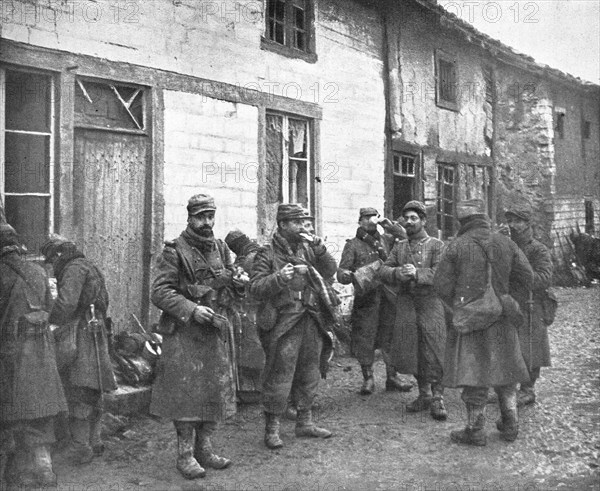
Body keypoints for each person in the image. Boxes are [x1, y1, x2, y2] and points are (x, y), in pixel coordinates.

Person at [150, 194, 242, 479]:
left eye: (211, 216)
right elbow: (160, 292)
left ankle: (205, 448)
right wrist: (190, 309)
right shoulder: (174, 251)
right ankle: (185, 454)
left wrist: (238, 282)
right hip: (185, 334)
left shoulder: (221, 247)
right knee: (186, 396)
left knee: (214, 390)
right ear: (189, 218)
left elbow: (228, 280)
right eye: (201, 217)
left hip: (215, 329)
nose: (207, 222)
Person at [434, 199, 533, 446]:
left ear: (463, 222)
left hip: (470, 322)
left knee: (473, 375)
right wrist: (509, 300)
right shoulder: (506, 242)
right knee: (507, 372)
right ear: (485, 218)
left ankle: (475, 430)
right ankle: (511, 424)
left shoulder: (457, 246)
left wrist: (459, 306)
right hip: (502, 319)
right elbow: (528, 277)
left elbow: (440, 285)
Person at [250, 203, 338, 449]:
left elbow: (332, 270)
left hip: (310, 317)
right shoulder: (266, 254)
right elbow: (255, 287)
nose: (302, 227)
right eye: (297, 222)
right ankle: (272, 429)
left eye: (303, 222)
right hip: (284, 321)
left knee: (310, 371)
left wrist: (321, 251)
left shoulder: (308, 249)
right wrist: (280, 278)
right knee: (281, 374)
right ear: (283, 225)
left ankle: (305, 422)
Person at [1, 224, 67, 487]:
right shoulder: (38, 272)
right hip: (40, 350)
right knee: (40, 408)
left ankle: (12, 474)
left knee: (10, 413)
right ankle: (44, 468)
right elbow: (51, 309)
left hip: (11, 352)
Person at [41, 235, 116, 464]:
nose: (51, 265)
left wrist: (46, 317)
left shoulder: (73, 268)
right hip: (95, 331)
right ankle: (95, 441)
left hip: (82, 334)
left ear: (58, 254)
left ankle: (79, 446)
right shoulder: (87, 265)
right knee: (93, 386)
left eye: (51, 260)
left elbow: (65, 304)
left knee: (79, 387)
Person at [379, 201, 447, 420]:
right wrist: (399, 272)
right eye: (405, 218)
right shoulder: (400, 247)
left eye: (413, 218)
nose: (408, 222)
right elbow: (383, 270)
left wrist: (418, 273)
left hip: (431, 303)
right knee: (413, 350)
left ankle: (438, 398)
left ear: (423, 221)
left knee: (434, 348)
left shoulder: (437, 245)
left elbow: (442, 274)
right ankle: (424, 394)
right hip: (407, 303)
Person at [337, 207, 411, 395]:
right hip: (367, 298)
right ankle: (368, 378)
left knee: (390, 336)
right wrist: (347, 275)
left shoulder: (386, 240)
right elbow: (341, 272)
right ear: (360, 221)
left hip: (388, 295)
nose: (370, 221)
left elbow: (405, 242)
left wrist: (392, 227)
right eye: (366, 218)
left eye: (373, 217)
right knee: (365, 338)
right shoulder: (352, 245)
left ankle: (392, 377)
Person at [504, 203, 553, 406]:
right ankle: (507, 387)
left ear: (527, 224)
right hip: (509, 303)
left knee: (530, 348)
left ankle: (528, 389)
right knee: (507, 345)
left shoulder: (538, 250)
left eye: (517, 221)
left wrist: (520, 271)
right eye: (510, 221)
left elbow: (544, 278)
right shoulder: (505, 245)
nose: (512, 225)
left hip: (530, 305)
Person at [224, 229, 265, 403]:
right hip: (259, 308)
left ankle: (251, 391)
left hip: (249, 308)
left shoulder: (248, 259)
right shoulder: (260, 252)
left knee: (248, 348)